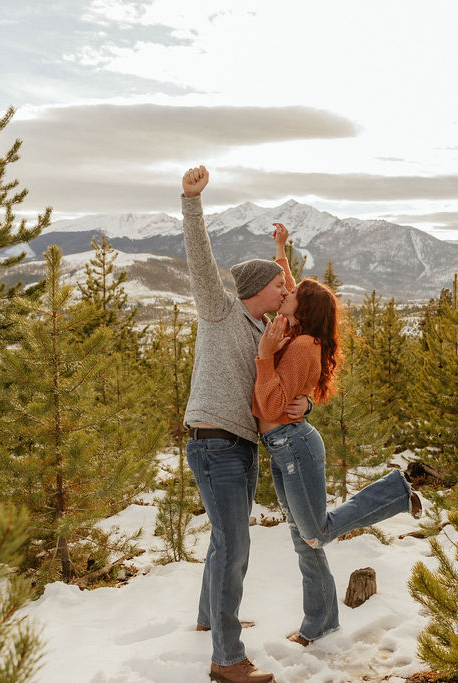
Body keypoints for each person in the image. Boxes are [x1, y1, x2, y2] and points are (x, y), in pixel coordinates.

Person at [253, 223, 422, 647]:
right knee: (303, 542)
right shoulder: (299, 332)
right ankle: (321, 623)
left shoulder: (301, 345)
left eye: (288, 294)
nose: (282, 294)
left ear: (302, 309)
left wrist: (263, 359)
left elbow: (272, 406)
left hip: (293, 445)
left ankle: (396, 492)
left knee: (316, 533)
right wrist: (280, 250)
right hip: (283, 447)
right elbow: (298, 291)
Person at [180, 166, 308, 683]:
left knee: (224, 540)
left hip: (237, 446)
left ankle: (211, 619)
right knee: (235, 545)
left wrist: (284, 252)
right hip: (215, 443)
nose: (285, 291)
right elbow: (200, 260)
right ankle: (227, 659)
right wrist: (191, 200)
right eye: (279, 285)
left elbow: (295, 298)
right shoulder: (221, 310)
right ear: (260, 290)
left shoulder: (267, 327)